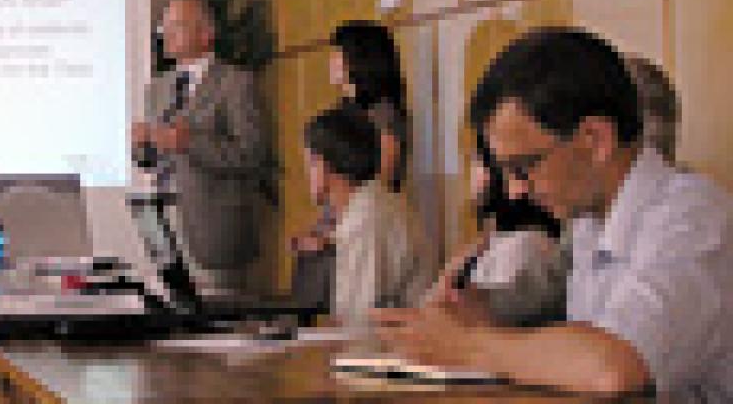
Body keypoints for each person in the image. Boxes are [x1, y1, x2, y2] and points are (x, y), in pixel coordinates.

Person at [372, 27, 733, 400]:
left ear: (595, 140)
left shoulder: (693, 218)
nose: (515, 190)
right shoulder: (588, 220)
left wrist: (467, 346)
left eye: (525, 166)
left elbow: (612, 366)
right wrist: (478, 309)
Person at [132, 0, 269, 294]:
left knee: (217, 322)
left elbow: (252, 153)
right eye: (163, 27)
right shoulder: (157, 88)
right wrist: (142, 145)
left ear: (206, 34)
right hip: (162, 222)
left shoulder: (235, 82)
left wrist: (189, 142)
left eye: (176, 27)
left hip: (213, 228)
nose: (166, 35)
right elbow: (148, 160)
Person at [302, 105, 432, 327]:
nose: (307, 172)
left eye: (310, 161)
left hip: (389, 352)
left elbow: (358, 325)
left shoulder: (367, 219)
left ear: (325, 166)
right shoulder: (372, 204)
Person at [291, 20, 411, 254]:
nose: (331, 62)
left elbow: (381, 184)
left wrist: (333, 235)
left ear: (360, 60)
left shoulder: (383, 114)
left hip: (366, 234)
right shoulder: (343, 110)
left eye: (338, 55)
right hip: (340, 228)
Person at [424, 133, 567, 328]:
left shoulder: (524, 244)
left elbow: (484, 324)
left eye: (477, 161)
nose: (471, 173)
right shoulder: (491, 242)